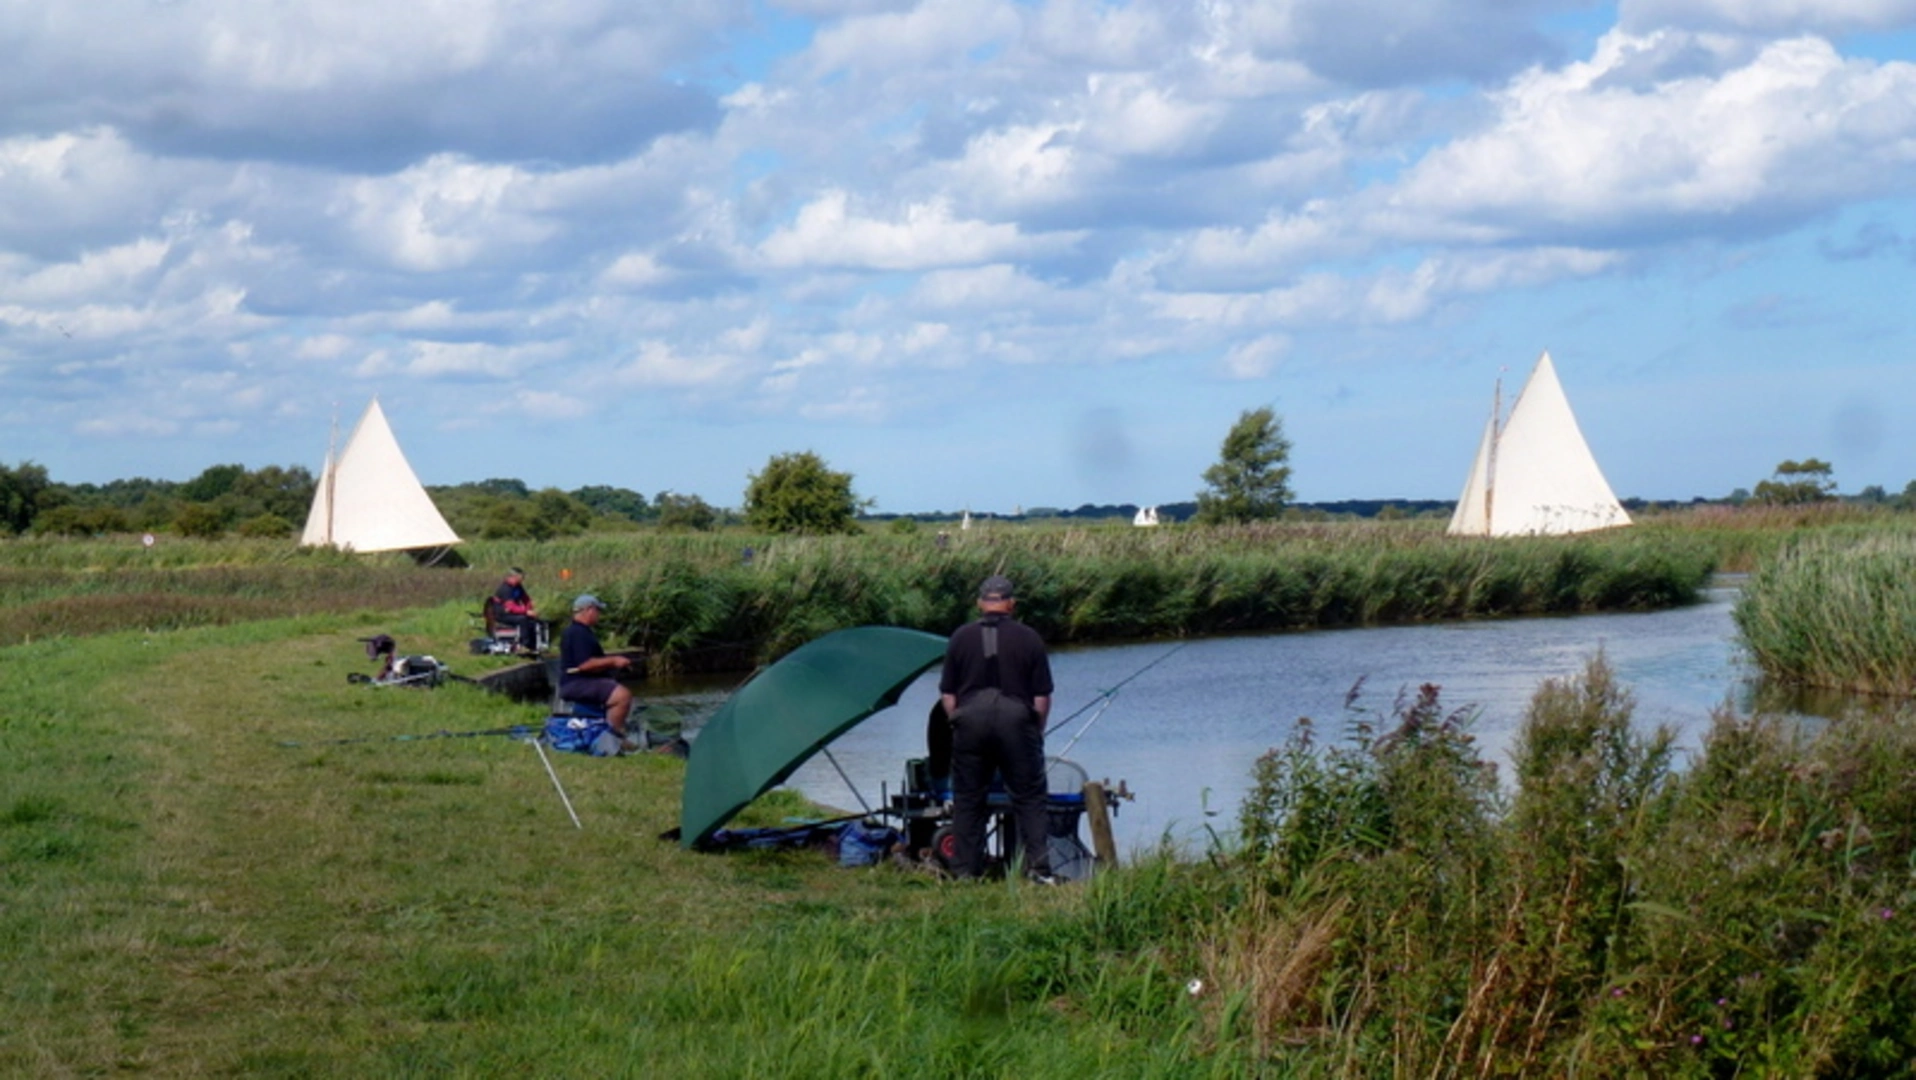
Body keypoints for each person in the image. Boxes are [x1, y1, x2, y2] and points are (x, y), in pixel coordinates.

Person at [938, 574, 1056, 883]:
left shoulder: (960, 637)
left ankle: (965, 871)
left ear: (980, 603)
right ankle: (1038, 870)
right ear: (1011, 604)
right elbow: (1042, 696)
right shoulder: (1029, 638)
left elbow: (948, 694)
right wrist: (1036, 731)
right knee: (1030, 797)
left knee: (968, 798)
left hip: (970, 720)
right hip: (1017, 720)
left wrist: (957, 720)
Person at [558, 594, 636, 741]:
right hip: (575, 684)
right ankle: (615, 738)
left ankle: (608, 732)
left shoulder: (580, 631)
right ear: (589, 610)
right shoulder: (577, 632)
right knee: (622, 696)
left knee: (614, 687)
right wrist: (614, 660)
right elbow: (585, 665)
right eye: (598, 610)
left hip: (581, 681)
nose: (599, 614)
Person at [492, 568, 541, 652]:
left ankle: (533, 644)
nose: (522, 580)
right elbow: (511, 607)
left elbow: (525, 599)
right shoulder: (505, 589)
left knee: (532, 620)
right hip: (502, 614)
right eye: (521, 578)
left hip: (511, 612)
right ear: (513, 577)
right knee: (522, 619)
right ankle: (523, 645)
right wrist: (526, 612)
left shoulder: (518, 586)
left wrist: (530, 607)